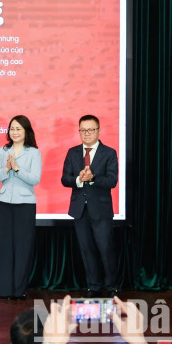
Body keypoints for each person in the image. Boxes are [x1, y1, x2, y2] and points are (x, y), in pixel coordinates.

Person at [61, 115, 119, 298]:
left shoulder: (108, 153)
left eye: (90, 130)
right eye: (83, 130)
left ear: (98, 131)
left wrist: (93, 177)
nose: (86, 134)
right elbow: (65, 179)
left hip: (101, 211)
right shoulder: (72, 152)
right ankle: (94, 286)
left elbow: (112, 181)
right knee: (86, 250)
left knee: (105, 248)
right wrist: (78, 179)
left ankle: (112, 287)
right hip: (80, 210)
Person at [0, 115, 42, 300]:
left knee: (22, 247)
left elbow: (35, 179)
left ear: (26, 131)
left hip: (25, 204)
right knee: (4, 247)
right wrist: (6, 169)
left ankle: (19, 290)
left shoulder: (34, 153)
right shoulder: (2, 151)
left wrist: (17, 169)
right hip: (4, 203)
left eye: (19, 128)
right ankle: (4, 290)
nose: (15, 132)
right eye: (12, 128)